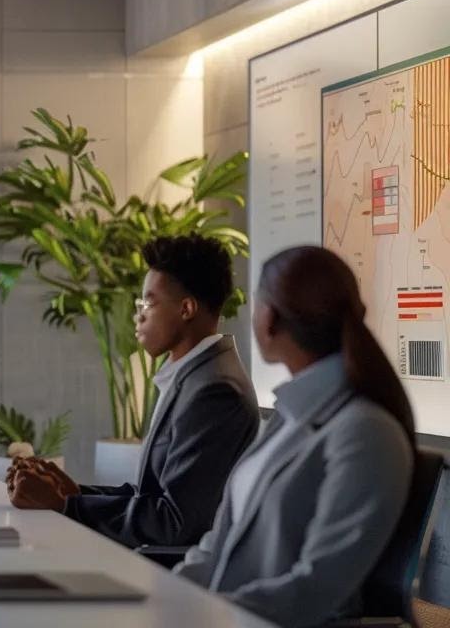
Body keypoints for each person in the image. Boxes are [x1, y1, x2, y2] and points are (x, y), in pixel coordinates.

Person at [174, 245, 415, 627]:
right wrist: (164, 598)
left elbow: (318, 586)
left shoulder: (365, 433)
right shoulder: (291, 414)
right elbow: (217, 546)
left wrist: (214, 614)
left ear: (267, 318)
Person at [7, 235, 259, 551]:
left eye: (148, 303)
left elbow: (174, 522)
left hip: (171, 578)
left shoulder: (215, 391)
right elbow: (151, 497)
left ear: (186, 308)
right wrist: (71, 493)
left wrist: (66, 506)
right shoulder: (195, 377)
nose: (138, 316)